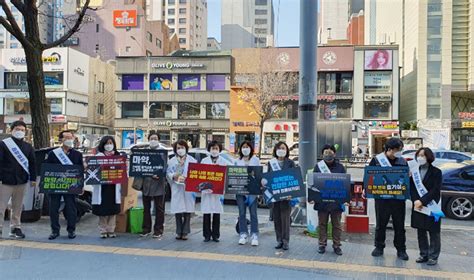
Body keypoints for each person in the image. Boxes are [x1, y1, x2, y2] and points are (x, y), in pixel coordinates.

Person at [368, 137, 409, 260]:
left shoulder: (402, 161)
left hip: (398, 199)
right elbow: (370, 177)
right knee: (381, 223)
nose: (399, 152)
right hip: (382, 199)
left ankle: (401, 249)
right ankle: (379, 246)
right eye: (398, 150)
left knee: (399, 225)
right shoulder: (376, 161)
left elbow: (406, 180)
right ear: (390, 149)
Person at [0, 120, 36, 239]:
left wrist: (33, 178)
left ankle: (16, 228)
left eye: (22, 130)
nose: (20, 132)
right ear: (11, 130)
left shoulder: (28, 146)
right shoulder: (3, 144)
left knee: (18, 206)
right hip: (5, 181)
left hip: (22, 180)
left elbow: (32, 163)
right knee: (1, 206)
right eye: (17, 129)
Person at [46, 130, 83, 240]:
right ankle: (55, 231)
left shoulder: (77, 154)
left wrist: (81, 186)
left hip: (71, 185)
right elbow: (47, 169)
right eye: (66, 138)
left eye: (70, 138)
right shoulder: (53, 153)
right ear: (61, 140)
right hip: (55, 185)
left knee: (71, 208)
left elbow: (80, 171)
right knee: (53, 208)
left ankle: (71, 230)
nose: (69, 140)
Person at [410, 148, 442, 266]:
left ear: (428, 157)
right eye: (418, 155)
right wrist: (415, 201)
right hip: (418, 205)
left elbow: (435, 190)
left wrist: (422, 201)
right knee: (421, 230)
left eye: (423, 155)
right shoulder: (414, 172)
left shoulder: (436, 172)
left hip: (432, 205)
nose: (420, 157)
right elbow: (412, 189)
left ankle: (433, 256)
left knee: (434, 232)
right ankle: (424, 254)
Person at [312, 144, 346, 256]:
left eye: (330, 152)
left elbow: (344, 184)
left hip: (336, 202)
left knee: (336, 225)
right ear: (322, 154)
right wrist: (312, 197)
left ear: (334, 154)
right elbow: (313, 183)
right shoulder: (318, 167)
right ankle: (322, 244)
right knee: (322, 224)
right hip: (322, 201)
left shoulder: (340, 167)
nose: (328, 154)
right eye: (326, 152)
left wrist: (345, 198)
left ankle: (337, 245)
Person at [133, 133, 166, 239]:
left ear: (159, 140)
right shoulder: (144, 151)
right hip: (146, 183)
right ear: (148, 140)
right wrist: (138, 146)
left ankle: (158, 230)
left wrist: (159, 174)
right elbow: (135, 158)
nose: (153, 140)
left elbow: (165, 167)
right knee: (146, 208)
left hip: (158, 183)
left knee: (159, 208)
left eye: (155, 138)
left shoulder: (163, 151)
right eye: (151, 138)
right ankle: (146, 229)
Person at [266, 141, 296, 251]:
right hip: (275, 196)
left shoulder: (291, 163)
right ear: (275, 150)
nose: (281, 150)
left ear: (287, 150)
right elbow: (268, 178)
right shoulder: (271, 163)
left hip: (286, 195)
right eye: (279, 148)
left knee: (285, 219)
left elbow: (294, 178)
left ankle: (286, 241)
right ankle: (279, 240)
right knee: (277, 219)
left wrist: (291, 194)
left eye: (283, 148)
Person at [166, 140, 197, 240]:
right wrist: (173, 176)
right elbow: (168, 173)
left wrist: (188, 178)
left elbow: (195, 173)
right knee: (178, 211)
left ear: (186, 149)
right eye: (178, 148)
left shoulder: (192, 160)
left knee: (187, 212)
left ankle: (185, 232)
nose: (180, 150)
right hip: (177, 188)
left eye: (182, 148)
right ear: (175, 149)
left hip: (188, 189)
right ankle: (178, 231)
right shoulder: (171, 161)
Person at [91, 136, 121, 238]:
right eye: (107, 143)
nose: (109, 145)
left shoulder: (118, 156)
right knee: (102, 209)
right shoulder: (98, 156)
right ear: (103, 145)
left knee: (113, 209)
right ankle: (103, 230)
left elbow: (123, 171)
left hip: (113, 186)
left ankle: (111, 230)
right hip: (102, 186)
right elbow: (93, 170)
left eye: (111, 143)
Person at [200, 141, 228, 242]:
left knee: (217, 212)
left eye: (216, 148)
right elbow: (200, 175)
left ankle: (216, 235)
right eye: (212, 148)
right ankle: (206, 235)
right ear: (209, 150)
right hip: (206, 191)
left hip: (217, 192)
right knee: (206, 213)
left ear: (219, 150)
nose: (214, 150)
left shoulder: (223, 162)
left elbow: (225, 176)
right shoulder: (204, 160)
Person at [235, 141, 261, 246]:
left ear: (251, 148)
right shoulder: (236, 161)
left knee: (253, 213)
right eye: (243, 147)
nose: (245, 149)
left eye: (247, 147)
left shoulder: (256, 160)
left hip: (252, 192)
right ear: (240, 149)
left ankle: (254, 234)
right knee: (242, 213)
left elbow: (258, 175)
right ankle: (243, 234)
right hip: (240, 191)